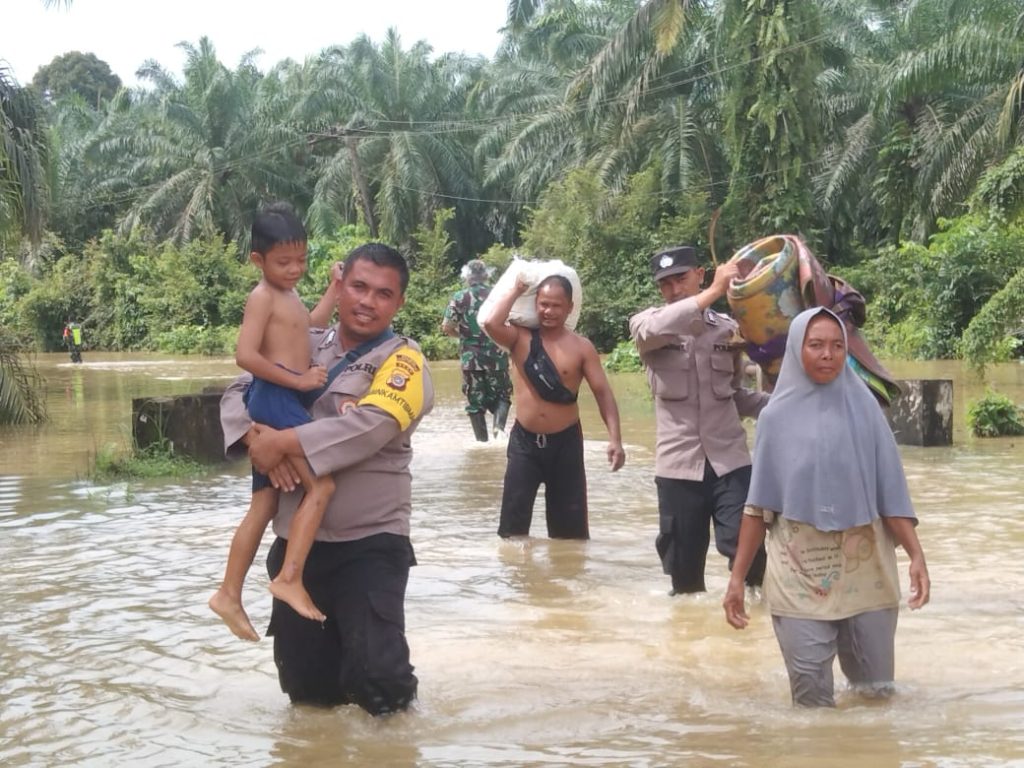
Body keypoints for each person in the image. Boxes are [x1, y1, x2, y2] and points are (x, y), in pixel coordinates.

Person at [220, 241, 433, 716]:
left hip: (372, 544)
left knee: (381, 681)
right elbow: (239, 388)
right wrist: (256, 436)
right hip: (296, 543)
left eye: (383, 293)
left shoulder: (405, 361)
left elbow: (369, 425)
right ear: (339, 287)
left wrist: (285, 443)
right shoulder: (304, 338)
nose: (367, 300)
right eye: (358, 286)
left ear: (398, 303)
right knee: (307, 691)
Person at [723, 307, 930, 707]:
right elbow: (757, 507)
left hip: (865, 571)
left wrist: (917, 555)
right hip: (799, 572)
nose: (827, 354)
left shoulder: (867, 411)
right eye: (815, 345)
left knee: (876, 696)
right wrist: (736, 579)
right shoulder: (775, 418)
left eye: (837, 346)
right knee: (812, 705)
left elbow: (892, 494)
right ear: (799, 351)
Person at [209, 203, 338, 641]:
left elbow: (310, 327)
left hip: (281, 398)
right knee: (321, 486)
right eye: (284, 262)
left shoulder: (289, 295)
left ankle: (229, 592)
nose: (295, 269)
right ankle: (289, 578)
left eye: (302, 260)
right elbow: (245, 355)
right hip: (276, 399)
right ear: (257, 261)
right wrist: (299, 379)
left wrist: (335, 289)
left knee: (263, 505)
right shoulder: (261, 296)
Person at [629, 245, 769, 595]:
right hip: (679, 468)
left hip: (731, 462)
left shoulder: (728, 330)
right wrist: (714, 293)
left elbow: (735, 394)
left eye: (682, 278)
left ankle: (757, 626)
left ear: (700, 274)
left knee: (748, 552)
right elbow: (658, 326)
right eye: (666, 284)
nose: (674, 289)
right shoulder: (648, 325)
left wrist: (783, 408)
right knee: (684, 571)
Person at [482, 272, 625, 540]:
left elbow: (603, 393)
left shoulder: (582, 348)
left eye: (556, 305)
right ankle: (519, 578)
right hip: (524, 443)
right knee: (512, 533)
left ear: (569, 308)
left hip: (566, 445)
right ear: (535, 303)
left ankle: (567, 579)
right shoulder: (519, 339)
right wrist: (516, 290)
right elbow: (491, 323)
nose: (548, 311)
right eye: (543, 304)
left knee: (570, 537)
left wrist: (615, 440)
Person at [441, 259, 512, 442]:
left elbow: (446, 327)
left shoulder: (460, 297)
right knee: (502, 397)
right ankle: (499, 436)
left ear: (467, 276)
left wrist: (463, 336)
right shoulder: (499, 295)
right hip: (497, 358)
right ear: (486, 275)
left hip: (471, 359)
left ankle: (482, 444)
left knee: (475, 404)